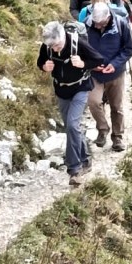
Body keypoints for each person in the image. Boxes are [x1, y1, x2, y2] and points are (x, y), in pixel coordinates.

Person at [37, 20, 105, 186]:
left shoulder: (78, 43)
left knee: (72, 126)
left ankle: (74, 170)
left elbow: (98, 59)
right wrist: (44, 67)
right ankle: (86, 159)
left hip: (80, 88)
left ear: (63, 37)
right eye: (52, 46)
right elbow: (40, 61)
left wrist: (83, 64)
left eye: (57, 46)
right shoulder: (47, 47)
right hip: (61, 91)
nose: (55, 49)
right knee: (71, 126)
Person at [86, 2, 132, 152]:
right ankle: (103, 129)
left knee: (116, 106)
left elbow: (130, 47)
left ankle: (117, 137)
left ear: (108, 17)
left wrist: (115, 64)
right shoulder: (86, 26)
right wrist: (91, 64)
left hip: (116, 73)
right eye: (95, 22)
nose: (97, 26)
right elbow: (80, 50)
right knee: (93, 102)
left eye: (100, 23)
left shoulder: (121, 24)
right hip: (94, 73)